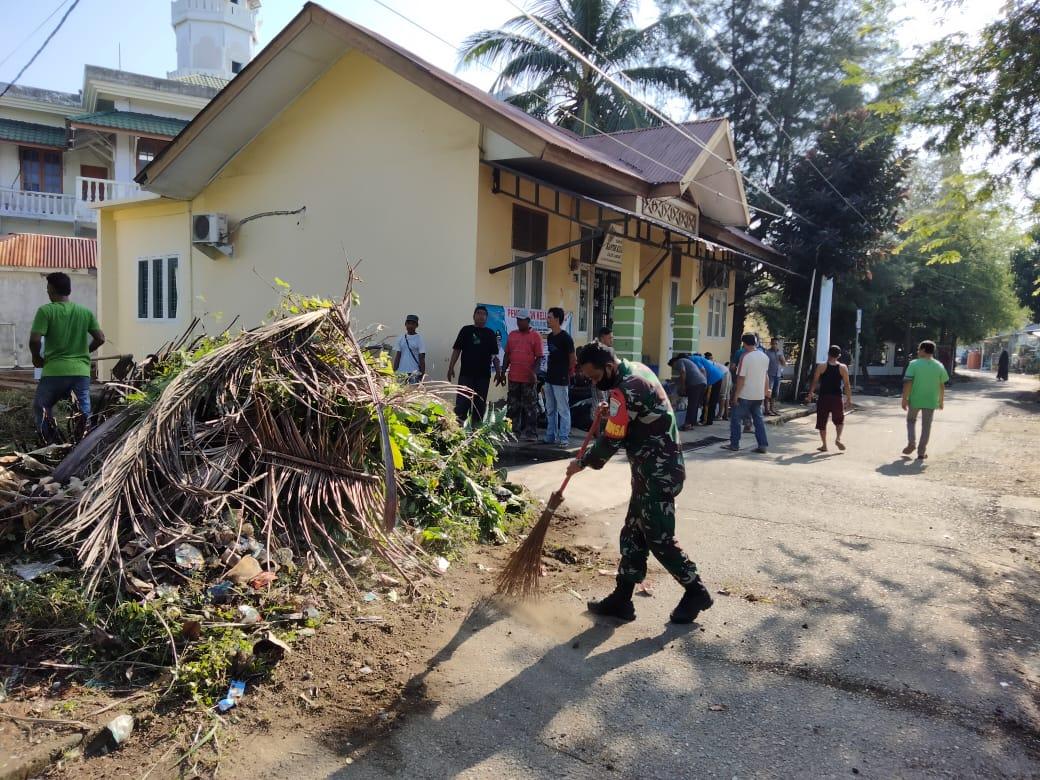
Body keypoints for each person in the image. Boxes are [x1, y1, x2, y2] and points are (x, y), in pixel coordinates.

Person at [568, 343, 713, 624]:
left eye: (596, 377)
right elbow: (635, 413)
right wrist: (612, 409)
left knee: (659, 538)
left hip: (659, 473)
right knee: (633, 533)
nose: (595, 383)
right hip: (650, 472)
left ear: (609, 368)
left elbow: (610, 440)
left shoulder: (625, 390)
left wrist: (582, 462)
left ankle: (697, 591)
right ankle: (622, 599)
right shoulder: (636, 371)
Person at [29, 272, 105, 441]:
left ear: (52, 289)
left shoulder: (46, 311)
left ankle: (49, 443)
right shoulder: (85, 312)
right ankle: (85, 443)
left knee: (42, 407)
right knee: (83, 411)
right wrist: (85, 351)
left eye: (48, 288)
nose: (47, 292)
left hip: (54, 371)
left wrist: (36, 358)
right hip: (81, 372)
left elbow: (34, 340)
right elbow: (100, 338)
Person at [447, 306, 500, 422]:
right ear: (474, 316)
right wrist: (451, 367)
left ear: (487, 318)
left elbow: (494, 356)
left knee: (479, 404)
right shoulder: (466, 330)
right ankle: (459, 428)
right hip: (466, 374)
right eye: (478, 313)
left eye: (484, 314)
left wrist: (498, 372)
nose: (481, 316)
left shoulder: (490, 333)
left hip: (483, 376)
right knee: (462, 403)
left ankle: (476, 429)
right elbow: (457, 350)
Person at [497, 309, 543, 441]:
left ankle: (531, 433)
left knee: (530, 407)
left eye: (521, 320)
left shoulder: (535, 336)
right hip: (513, 377)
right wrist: (502, 372)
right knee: (513, 407)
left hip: (528, 379)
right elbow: (507, 355)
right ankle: (513, 432)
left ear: (528, 321)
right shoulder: (512, 335)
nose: (519, 322)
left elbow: (539, 358)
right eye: (517, 320)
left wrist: (534, 374)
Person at [721, 334, 771, 453]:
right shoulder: (764, 357)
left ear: (744, 343)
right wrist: (766, 391)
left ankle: (734, 444)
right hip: (758, 395)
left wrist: (735, 396)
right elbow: (766, 376)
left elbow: (741, 378)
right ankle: (762, 445)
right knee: (758, 420)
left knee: (736, 419)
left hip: (745, 394)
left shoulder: (745, 357)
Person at [902, 340, 949, 461]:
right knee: (926, 426)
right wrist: (941, 401)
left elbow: (908, 382)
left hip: (915, 399)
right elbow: (942, 385)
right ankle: (921, 452)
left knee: (911, 420)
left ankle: (911, 443)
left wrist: (905, 399)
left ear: (923, 350)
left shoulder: (914, 364)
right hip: (931, 401)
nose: (918, 351)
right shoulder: (939, 365)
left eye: (919, 349)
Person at [808, 345, 852, 452]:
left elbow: (814, 381)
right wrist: (849, 399)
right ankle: (838, 438)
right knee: (839, 420)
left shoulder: (821, 367)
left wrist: (810, 393)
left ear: (828, 354)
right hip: (837, 398)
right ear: (839, 356)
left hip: (824, 398)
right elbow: (847, 384)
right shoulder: (843, 367)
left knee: (822, 422)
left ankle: (824, 445)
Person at [542, 307, 575, 446]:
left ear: (557, 319)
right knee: (550, 408)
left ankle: (564, 438)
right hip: (549, 377)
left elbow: (573, 359)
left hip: (561, 378)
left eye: (550, 317)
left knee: (563, 409)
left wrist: (566, 372)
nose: (547, 320)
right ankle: (550, 435)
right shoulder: (550, 336)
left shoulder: (566, 338)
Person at [667, 354, 706, 431]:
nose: (674, 369)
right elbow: (683, 375)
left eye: (673, 367)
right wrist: (672, 381)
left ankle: (687, 424)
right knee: (694, 404)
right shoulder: (687, 361)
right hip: (702, 382)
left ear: (674, 363)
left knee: (692, 404)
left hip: (696, 383)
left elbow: (683, 372)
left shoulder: (679, 361)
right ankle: (692, 422)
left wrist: (683, 386)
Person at [690, 352, 725, 425]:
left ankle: (705, 420)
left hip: (712, 379)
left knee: (708, 401)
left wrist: (705, 383)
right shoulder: (697, 358)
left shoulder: (693, 360)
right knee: (712, 400)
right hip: (717, 377)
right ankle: (708, 420)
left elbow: (703, 370)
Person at [392, 314, 426, 383]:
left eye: (413, 323)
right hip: (401, 373)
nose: (410, 326)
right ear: (405, 324)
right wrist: (394, 371)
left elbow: (422, 358)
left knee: (414, 393)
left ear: (416, 325)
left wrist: (422, 374)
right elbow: (398, 356)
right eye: (408, 323)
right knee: (400, 393)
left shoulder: (419, 339)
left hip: (414, 374)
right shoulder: (401, 338)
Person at [765, 338, 787, 415]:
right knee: (768, 393)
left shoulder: (780, 353)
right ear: (771, 344)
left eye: (776, 344)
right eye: (773, 343)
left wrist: (783, 360)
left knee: (775, 393)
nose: (774, 345)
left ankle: (772, 408)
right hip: (769, 375)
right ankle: (766, 410)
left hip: (778, 375)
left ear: (778, 344)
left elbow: (784, 364)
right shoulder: (767, 352)